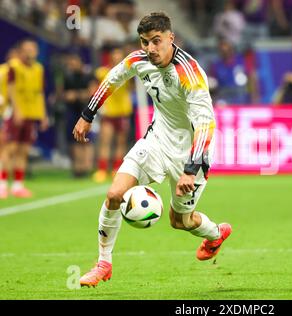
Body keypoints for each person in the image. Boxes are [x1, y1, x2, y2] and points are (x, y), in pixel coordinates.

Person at [73, 12, 232, 287]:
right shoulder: (139, 60)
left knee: (179, 221)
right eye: (145, 42)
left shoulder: (190, 73)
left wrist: (189, 170)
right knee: (114, 195)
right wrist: (88, 115)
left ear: (171, 38)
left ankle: (216, 233)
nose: (150, 49)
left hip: (191, 153)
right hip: (156, 142)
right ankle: (103, 263)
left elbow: (206, 125)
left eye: (156, 41)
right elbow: (112, 79)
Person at [0, 39, 48, 198]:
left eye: (33, 48)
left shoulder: (38, 69)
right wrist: (16, 110)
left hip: (31, 113)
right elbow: (11, 89)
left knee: (24, 149)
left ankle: (18, 185)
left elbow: (39, 92)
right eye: (27, 49)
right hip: (15, 113)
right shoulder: (13, 67)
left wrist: (43, 114)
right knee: (9, 148)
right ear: (21, 51)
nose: (31, 51)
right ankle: (2, 184)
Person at [92, 47, 133, 183]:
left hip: (123, 111)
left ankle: (117, 168)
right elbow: (95, 89)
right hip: (108, 111)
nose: (117, 57)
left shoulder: (128, 71)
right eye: (114, 54)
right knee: (106, 140)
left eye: (119, 55)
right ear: (110, 56)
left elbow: (131, 87)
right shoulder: (101, 72)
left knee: (121, 141)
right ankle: (102, 170)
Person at [62, 53, 97, 178]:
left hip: (87, 111)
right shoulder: (68, 77)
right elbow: (63, 94)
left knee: (87, 140)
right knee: (74, 139)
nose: (72, 66)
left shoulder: (88, 75)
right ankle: (78, 168)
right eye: (70, 64)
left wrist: (76, 95)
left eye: (74, 62)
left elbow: (92, 92)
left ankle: (87, 167)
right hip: (72, 111)